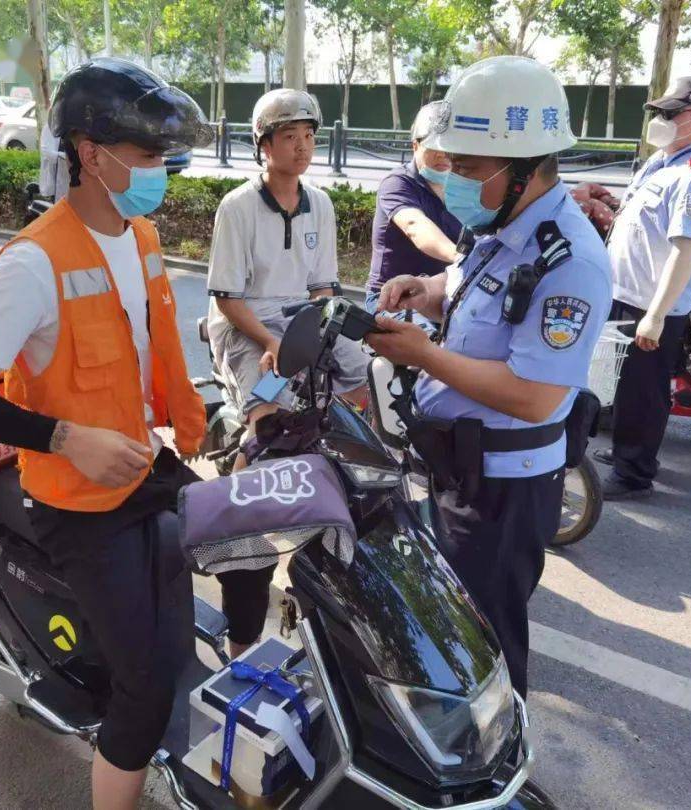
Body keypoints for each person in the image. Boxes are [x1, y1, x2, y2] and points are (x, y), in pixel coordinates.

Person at [0, 59, 214, 810]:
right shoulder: (33, 261)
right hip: (76, 499)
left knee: (215, 595)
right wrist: (62, 438)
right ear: (92, 153)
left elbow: (157, 349)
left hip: (145, 469)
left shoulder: (143, 234)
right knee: (146, 687)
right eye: (150, 157)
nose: (163, 172)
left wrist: (194, 423)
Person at [367, 56, 612, 697]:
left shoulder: (570, 259)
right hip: (461, 469)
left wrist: (423, 355)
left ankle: (493, 782)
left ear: (524, 168)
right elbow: (471, 290)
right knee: (449, 634)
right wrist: (424, 290)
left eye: (471, 170)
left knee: (486, 644)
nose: (458, 181)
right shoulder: (503, 225)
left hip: (502, 490)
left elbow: (534, 397)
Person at [205, 88, 369, 658]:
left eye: (309, 138)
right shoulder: (237, 207)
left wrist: (324, 331)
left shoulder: (319, 203)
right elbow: (227, 298)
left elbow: (324, 287)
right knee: (269, 403)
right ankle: (245, 487)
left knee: (358, 369)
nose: (302, 148)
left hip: (299, 314)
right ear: (264, 146)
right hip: (247, 322)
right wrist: (275, 342)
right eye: (289, 138)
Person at [594, 76, 691, 499]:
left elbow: (685, 251)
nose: (661, 120)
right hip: (623, 293)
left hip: (653, 306)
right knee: (619, 384)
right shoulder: (663, 162)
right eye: (658, 113)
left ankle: (635, 474)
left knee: (643, 392)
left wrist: (654, 315)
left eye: (671, 114)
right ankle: (623, 452)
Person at [365, 102, 462, 323]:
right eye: (433, 146)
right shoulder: (398, 184)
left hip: (446, 295)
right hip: (393, 299)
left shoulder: (463, 190)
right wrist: (462, 258)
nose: (442, 155)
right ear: (415, 146)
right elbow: (415, 227)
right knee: (430, 351)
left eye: (449, 147)